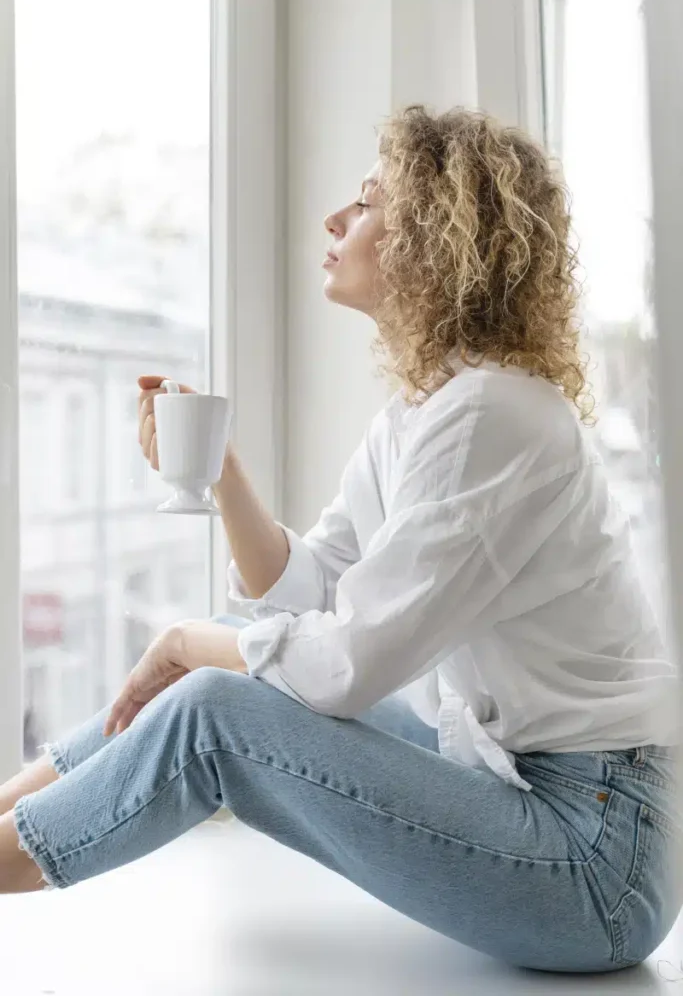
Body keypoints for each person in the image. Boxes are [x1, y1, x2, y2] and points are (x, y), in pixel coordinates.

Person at [0, 104, 680, 974]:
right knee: (227, 661)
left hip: (600, 855)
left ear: (435, 239)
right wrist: (218, 471)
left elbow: (345, 667)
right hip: (529, 786)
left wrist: (184, 643)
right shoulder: (430, 409)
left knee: (214, 705)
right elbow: (311, 585)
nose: (334, 220)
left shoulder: (492, 414)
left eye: (366, 203)